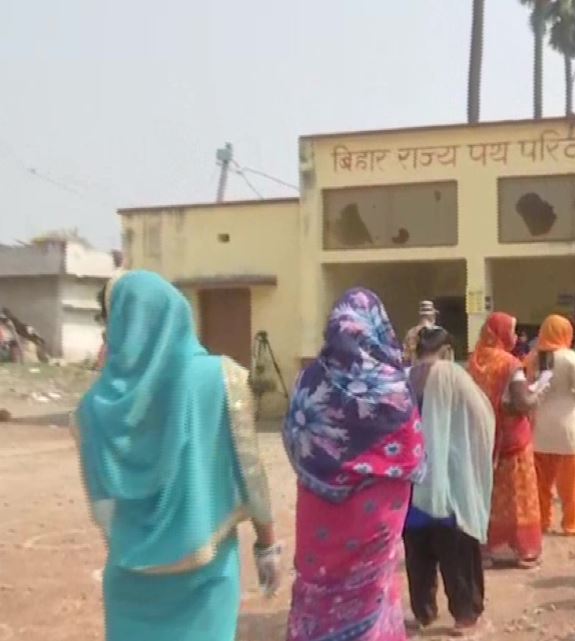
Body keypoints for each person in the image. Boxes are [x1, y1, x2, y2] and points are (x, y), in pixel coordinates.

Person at [74, 270, 280, 641]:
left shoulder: (95, 408)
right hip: (206, 572)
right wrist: (267, 544)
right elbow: (249, 471)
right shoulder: (222, 378)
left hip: (132, 578)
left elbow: (104, 506)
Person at [283, 288, 425, 641]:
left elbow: (294, 437)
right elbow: (411, 450)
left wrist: (329, 467)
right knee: (373, 583)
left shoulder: (310, 378)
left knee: (320, 582)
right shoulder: (393, 384)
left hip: (319, 506)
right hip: (377, 508)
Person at [404, 327, 495, 635]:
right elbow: (481, 416)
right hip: (450, 478)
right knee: (457, 552)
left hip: (413, 481)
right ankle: (465, 614)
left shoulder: (405, 378)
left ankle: (423, 612)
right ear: (446, 351)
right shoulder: (453, 374)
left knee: (418, 553)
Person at [468, 312, 543, 568]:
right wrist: (539, 391)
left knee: (487, 494)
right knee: (518, 496)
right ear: (501, 334)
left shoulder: (475, 360)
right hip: (512, 439)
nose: (515, 336)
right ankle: (523, 549)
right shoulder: (510, 364)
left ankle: (486, 549)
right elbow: (522, 403)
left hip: (484, 438)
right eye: (512, 331)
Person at [524, 315, 575, 536]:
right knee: (571, 481)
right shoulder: (570, 357)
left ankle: (542, 520)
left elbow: (531, 388)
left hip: (541, 425)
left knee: (541, 482)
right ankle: (572, 522)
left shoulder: (534, 357)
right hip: (567, 423)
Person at [404, 300, 438, 364]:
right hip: (434, 370)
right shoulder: (440, 333)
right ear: (432, 316)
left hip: (416, 370)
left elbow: (406, 357)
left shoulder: (411, 333)